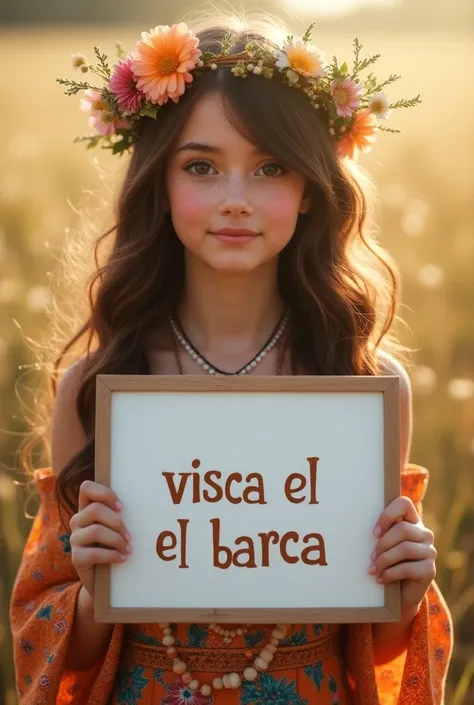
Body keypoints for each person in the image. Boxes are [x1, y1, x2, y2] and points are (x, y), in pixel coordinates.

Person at [10, 11, 452, 705]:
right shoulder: (97, 390)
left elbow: (376, 644)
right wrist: (94, 591)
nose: (236, 201)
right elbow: (55, 648)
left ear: (312, 186)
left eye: (270, 166)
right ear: (159, 180)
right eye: (202, 167)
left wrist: (405, 585)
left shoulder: (366, 387)